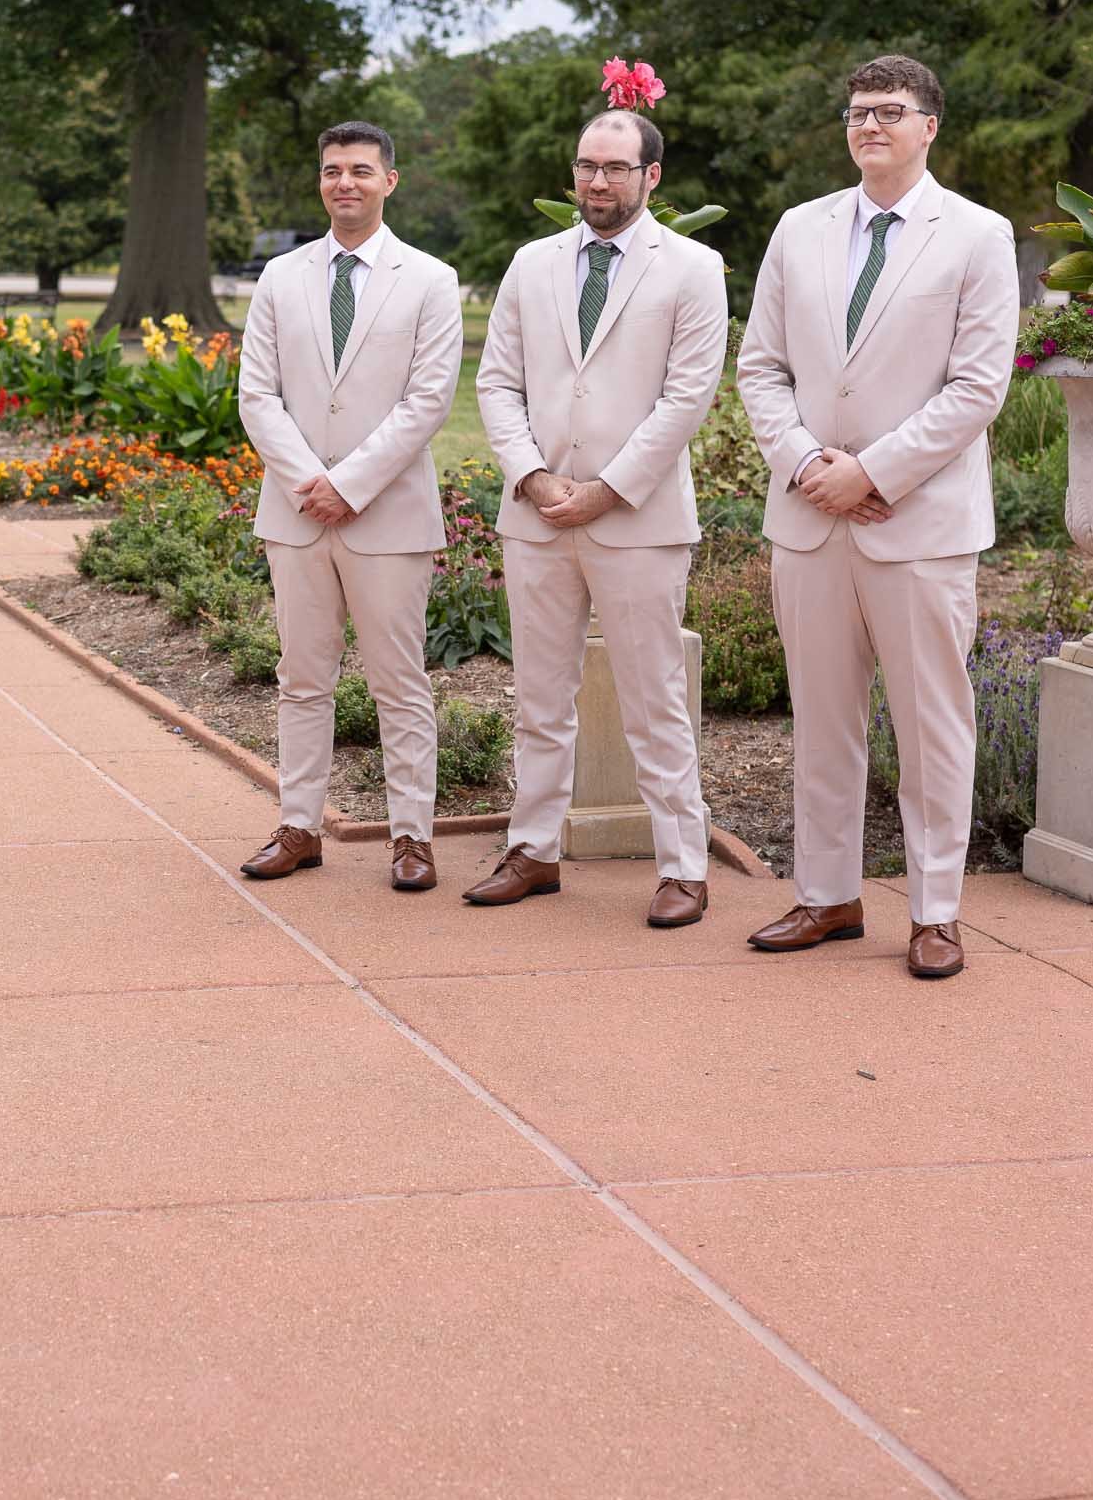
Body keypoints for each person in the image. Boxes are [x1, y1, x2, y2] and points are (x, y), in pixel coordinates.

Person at [735, 53, 1019, 979]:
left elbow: (979, 384)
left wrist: (877, 469)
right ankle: (827, 895)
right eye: (858, 111)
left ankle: (936, 910)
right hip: (810, 515)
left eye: (890, 111)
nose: (870, 125)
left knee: (934, 723)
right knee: (822, 718)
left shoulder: (976, 234)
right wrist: (807, 461)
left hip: (920, 522)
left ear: (929, 126)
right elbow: (761, 368)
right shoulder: (799, 229)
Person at [465, 107, 723, 924]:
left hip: (637, 521)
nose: (597, 181)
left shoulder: (693, 267)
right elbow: (497, 384)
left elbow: (687, 396)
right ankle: (533, 849)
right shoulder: (531, 263)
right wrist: (536, 479)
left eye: (615, 168)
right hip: (538, 518)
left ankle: (684, 866)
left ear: (652, 176)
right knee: (540, 697)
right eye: (586, 166)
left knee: (655, 701)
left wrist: (607, 490)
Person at [234, 120, 463, 890]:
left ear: (389, 181)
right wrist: (311, 482)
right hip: (296, 513)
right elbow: (256, 394)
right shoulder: (280, 276)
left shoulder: (430, 279)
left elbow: (428, 401)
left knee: (400, 681)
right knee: (302, 677)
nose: (345, 183)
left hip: (388, 516)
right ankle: (298, 826)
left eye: (361, 170)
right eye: (333, 170)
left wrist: (351, 484)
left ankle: (412, 837)